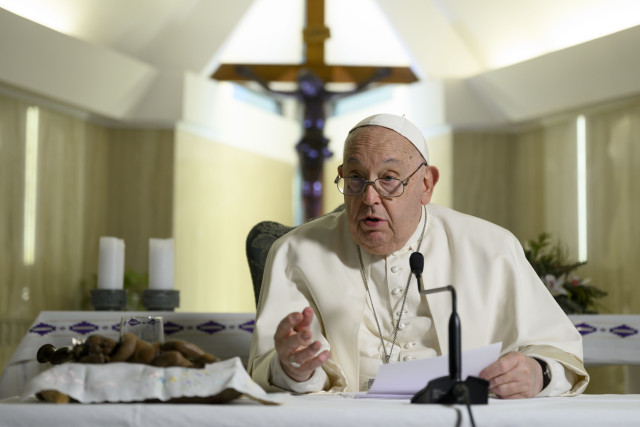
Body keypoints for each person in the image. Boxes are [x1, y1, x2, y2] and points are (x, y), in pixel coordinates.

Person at [248, 113, 589, 398]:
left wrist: (538, 373)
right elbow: (276, 370)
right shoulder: (295, 253)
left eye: (389, 179)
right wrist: (294, 369)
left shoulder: (492, 248)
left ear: (426, 184)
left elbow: (557, 352)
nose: (369, 199)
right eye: (355, 178)